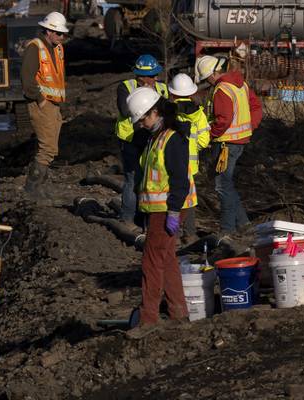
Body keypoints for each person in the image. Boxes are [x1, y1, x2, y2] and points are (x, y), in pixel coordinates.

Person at [126, 88, 195, 331]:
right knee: (166, 260)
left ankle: (148, 320)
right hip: (158, 208)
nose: (142, 124)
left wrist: (174, 211)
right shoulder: (155, 138)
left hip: (167, 208)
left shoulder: (172, 139)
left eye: (144, 119)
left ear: (155, 112)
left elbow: (179, 180)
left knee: (151, 261)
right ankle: (178, 313)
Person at [195, 54, 262, 234]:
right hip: (239, 141)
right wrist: (250, 126)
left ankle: (227, 230)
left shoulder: (221, 90)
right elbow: (256, 107)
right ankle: (243, 224)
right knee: (227, 184)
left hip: (226, 143)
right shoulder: (241, 85)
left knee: (222, 185)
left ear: (210, 74)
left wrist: (209, 134)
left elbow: (223, 120)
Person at [20, 11, 69, 202]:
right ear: (49, 31)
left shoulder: (57, 48)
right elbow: (26, 78)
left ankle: (40, 187)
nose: (62, 37)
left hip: (53, 104)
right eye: (59, 34)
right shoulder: (35, 47)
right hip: (42, 103)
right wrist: (40, 99)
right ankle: (32, 188)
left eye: (63, 34)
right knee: (47, 148)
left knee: (51, 148)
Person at [114, 54, 169, 223]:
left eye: (156, 75)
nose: (155, 78)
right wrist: (145, 96)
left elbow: (167, 110)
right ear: (141, 76)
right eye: (152, 76)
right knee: (132, 179)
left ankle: (144, 218)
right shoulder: (126, 87)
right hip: (130, 139)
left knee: (149, 179)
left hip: (152, 140)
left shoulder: (162, 88)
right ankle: (128, 218)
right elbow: (125, 110)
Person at [167, 73, 211, 241]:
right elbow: (204, 140)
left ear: (173, 93)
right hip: (190, 165)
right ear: (191, 93)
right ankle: (190, 233)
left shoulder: (169, 113)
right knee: (189, 199)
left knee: (172, 196)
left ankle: (173, 233)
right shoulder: (199, 114)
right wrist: (193, 148)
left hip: (170, 163)